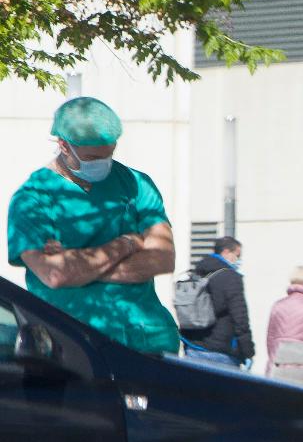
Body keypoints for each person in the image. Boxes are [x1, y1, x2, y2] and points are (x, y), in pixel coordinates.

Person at [7, 97, 178, 353]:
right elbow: (55, 274)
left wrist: (79, 268)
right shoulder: (32, 199)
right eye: (92, 157)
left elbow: (163, 259)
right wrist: (128, 243)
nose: (103, 163)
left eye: (109, 153)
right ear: (64, 146)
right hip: (73, 349)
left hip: (146, 340)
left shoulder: (136, 184)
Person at [181, 236, 254, 367]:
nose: (239, 260)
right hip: (221, 352)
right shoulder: (231, 277)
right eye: (237, 255)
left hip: (193, 348)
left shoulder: (195, 274)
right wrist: (248, 352)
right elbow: (240, 317)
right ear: (226, 252)